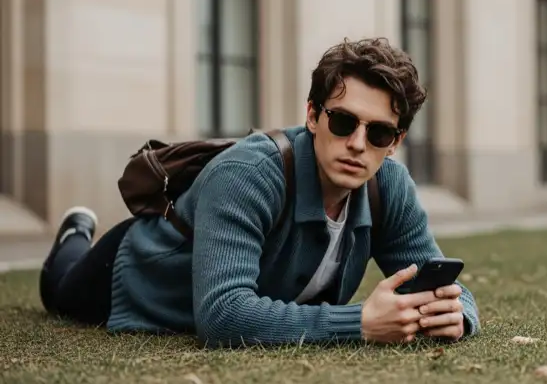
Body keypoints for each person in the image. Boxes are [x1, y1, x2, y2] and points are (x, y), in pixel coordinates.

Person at [37, 37, 480, 347]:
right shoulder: (249, 174)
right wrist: (360, 323)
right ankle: (76, 232)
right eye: (343, 122)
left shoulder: (389, 184)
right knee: (58, 288)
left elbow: (448, 285)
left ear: (396, 141)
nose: (359, 144)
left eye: (380, 132)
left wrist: (457, 316)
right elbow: (223, 316)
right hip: (132, 274)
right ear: (312, 115)